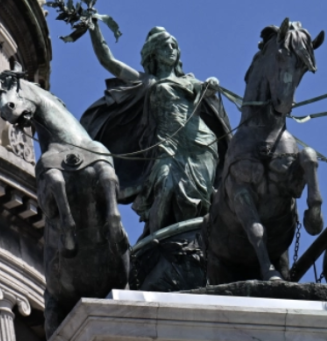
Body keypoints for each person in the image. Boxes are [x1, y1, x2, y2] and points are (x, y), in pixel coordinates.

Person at [80, 23, 231, 237]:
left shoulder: (189, 80)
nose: (171, 49)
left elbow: (208, 90)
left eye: (174, 46)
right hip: (167, 146)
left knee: (201, 199)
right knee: (164, 188)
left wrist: (211, 83)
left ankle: (203, 241)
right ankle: (154, 241)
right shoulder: (147, 81)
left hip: (201, 145)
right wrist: (94, 28)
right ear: (154, 53)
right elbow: (108, 60)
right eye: (165, 46)